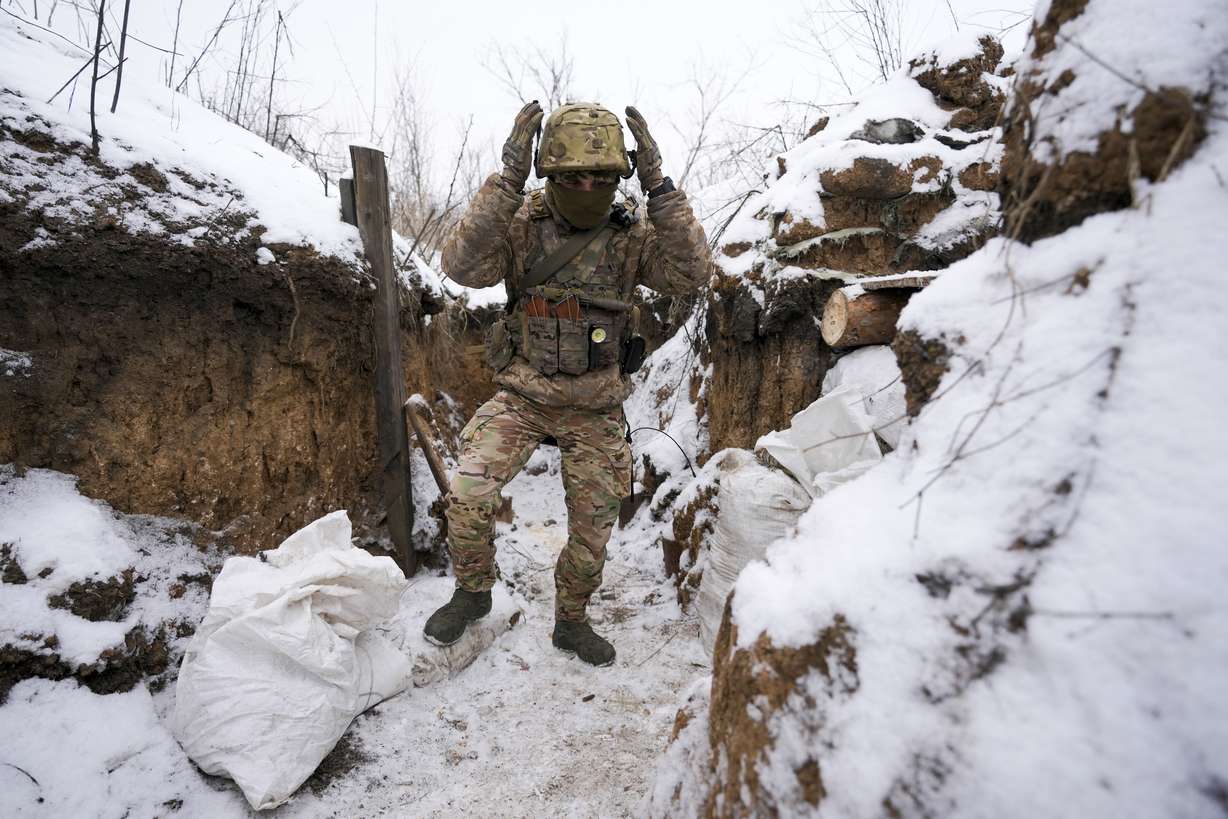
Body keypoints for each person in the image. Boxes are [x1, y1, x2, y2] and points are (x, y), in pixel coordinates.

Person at [424, 100, 711, 666]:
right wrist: (507, 181)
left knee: (594, 529)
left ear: (619, 177)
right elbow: (460, 265)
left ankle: (571, 621)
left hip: (596, 404)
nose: (587, 186)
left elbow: (693, 272)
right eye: (573, 177)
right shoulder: (522, 225)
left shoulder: (630, 234)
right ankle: (473, 591)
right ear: (548, 175)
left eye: (601, 177)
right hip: (523, 395)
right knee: (468, 493)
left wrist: (661, 189)